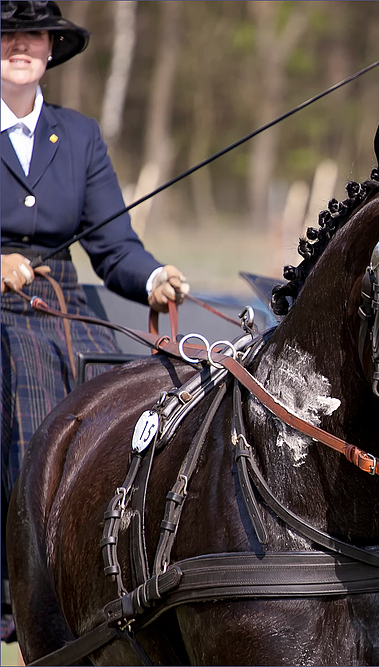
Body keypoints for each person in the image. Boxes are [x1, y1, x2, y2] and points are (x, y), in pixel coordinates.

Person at [1, 0, 190, 642]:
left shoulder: (77, 135)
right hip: (1, 316)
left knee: (126, 394)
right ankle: (22, 583)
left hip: (66, 308)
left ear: (51, 48)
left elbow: (114, 246)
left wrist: (154, 276)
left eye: (32, 35)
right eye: (6, 35)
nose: (20, 46)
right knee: (25, 395)